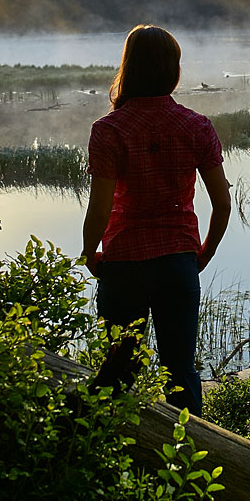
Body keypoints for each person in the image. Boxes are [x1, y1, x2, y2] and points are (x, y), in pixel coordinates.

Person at [81, 25, 230, 415]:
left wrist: (89, 252)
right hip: (178, 262)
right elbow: (223, 204)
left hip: (123, 262)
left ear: (128, 68)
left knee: (117, 373)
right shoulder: (196, 126)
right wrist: (203, 254)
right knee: (180, 372)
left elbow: (100, 208)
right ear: (173, 70)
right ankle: (190, 465)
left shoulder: (108, 129)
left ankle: (114, 458)